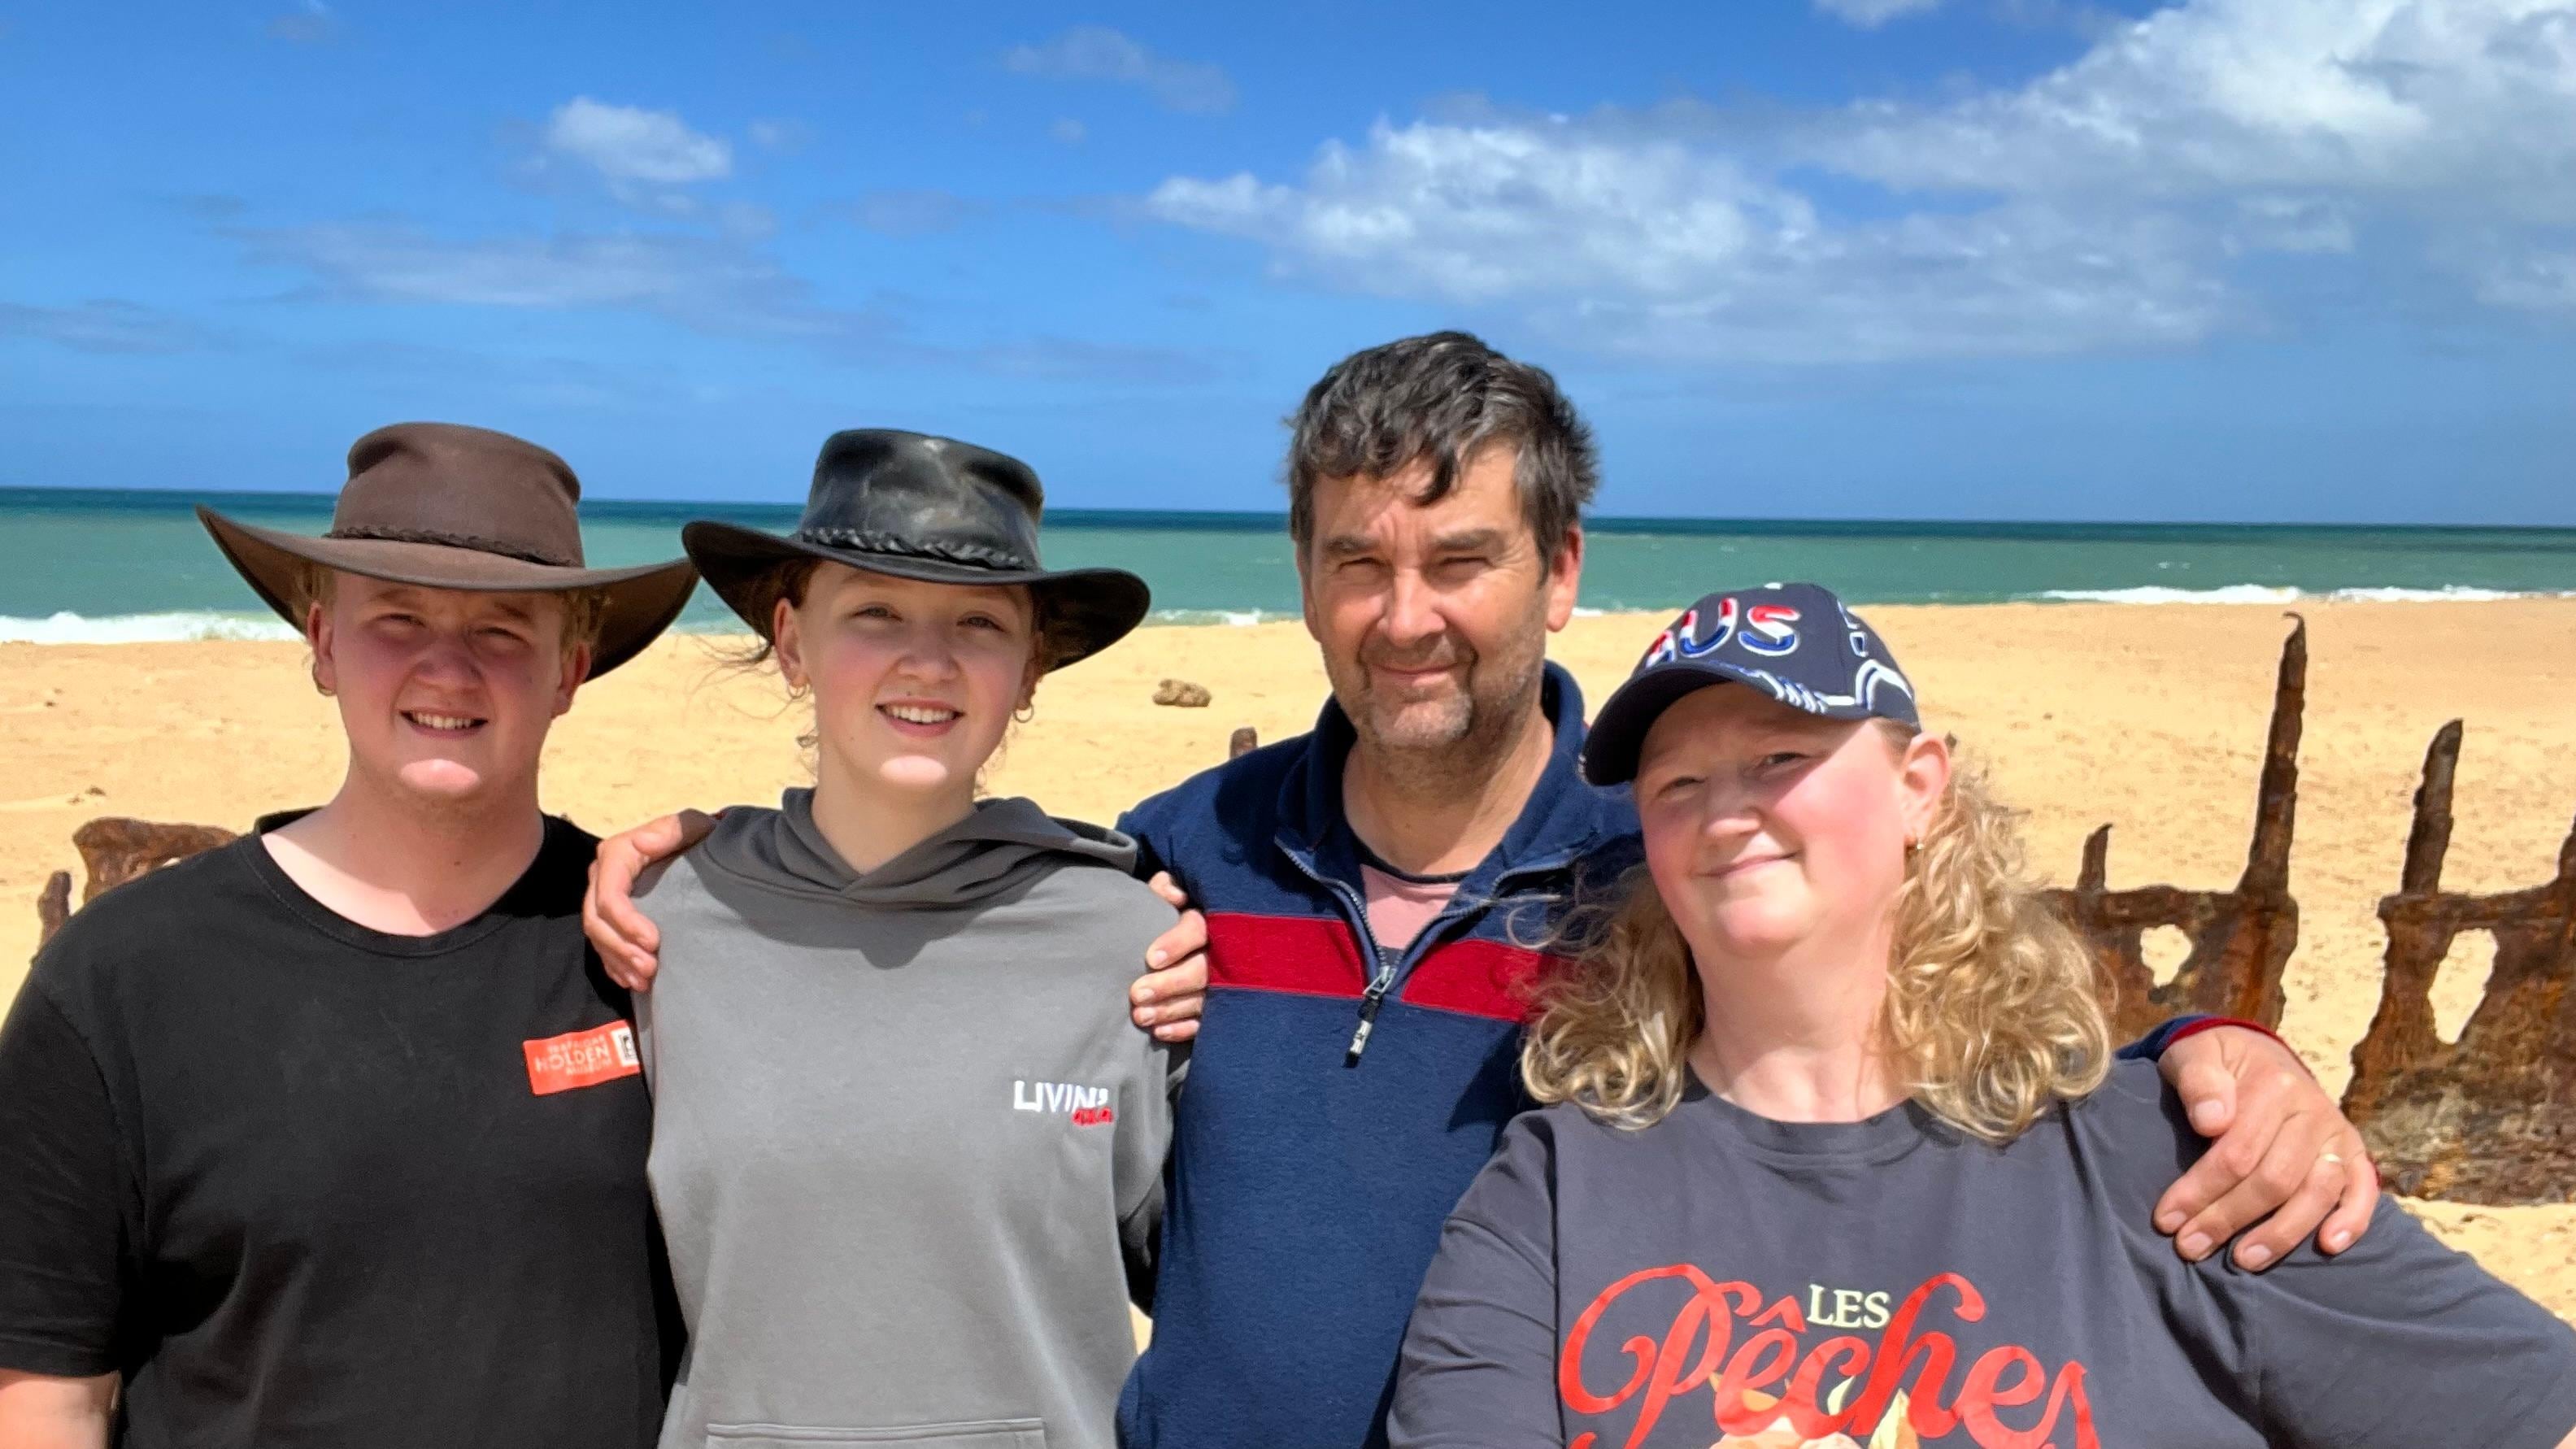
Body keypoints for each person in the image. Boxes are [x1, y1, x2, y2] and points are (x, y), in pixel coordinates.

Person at [583, 333, 2383, 1449]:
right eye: (1356, 562)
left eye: (1461, 559)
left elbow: (1933, 1003)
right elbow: (937, 903)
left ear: (1561, 571)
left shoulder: (1667, 864)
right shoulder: (1178, 856)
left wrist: (2216, 1055)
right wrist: (693, 856)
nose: (1406, 613)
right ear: (1300, 578)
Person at [1388, 582, 2576, 1449]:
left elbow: (2526, 1405)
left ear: (1919, 786)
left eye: (1782, 755)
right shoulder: (1559, 1181)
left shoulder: (2172, 1155)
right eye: (1679, 784)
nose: (1727, 812)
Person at [0, 423, 700, 1448]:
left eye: (505, 630)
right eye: (399, 618)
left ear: (571, 670)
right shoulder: (122, 973)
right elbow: (48, 1389)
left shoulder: (656, 950)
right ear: (322, 645)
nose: (448, 670)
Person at [631, 430, 1181, 1449]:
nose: (927, 661)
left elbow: (1219, 1305)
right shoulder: (658, 924)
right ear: (792, 642)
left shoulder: (1136, 948)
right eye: (875, 612)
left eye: (978, 622)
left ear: (1030, 671)